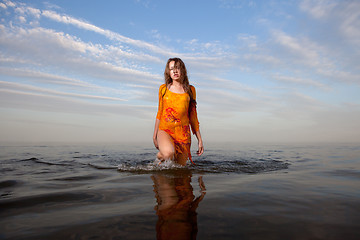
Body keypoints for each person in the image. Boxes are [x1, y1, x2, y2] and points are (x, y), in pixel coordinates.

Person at [153, 58, 204, 166]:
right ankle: (160, 156)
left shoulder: (191, 90)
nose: (175, 71)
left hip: (183, 135)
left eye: (177, 68)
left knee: (180, 171)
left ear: (182, 70)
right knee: (168, 154)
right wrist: (154, 135)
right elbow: (160, 112)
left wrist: (199, 139)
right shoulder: (163, 89)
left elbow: (193, 116)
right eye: (172, 69)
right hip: (165, 130)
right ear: (168, 72)